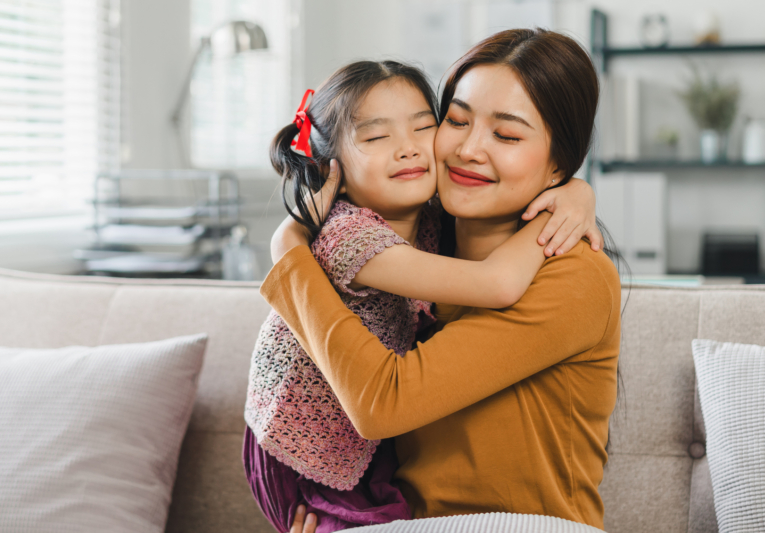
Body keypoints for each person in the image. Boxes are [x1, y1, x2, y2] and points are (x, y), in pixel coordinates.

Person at [263, 30, 621, 533]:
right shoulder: (421, 250)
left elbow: (381, 404)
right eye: (456, 121)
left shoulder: (573, 275)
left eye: (508, 135)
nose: (469, 149)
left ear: (559, 161)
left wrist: (288, 252)